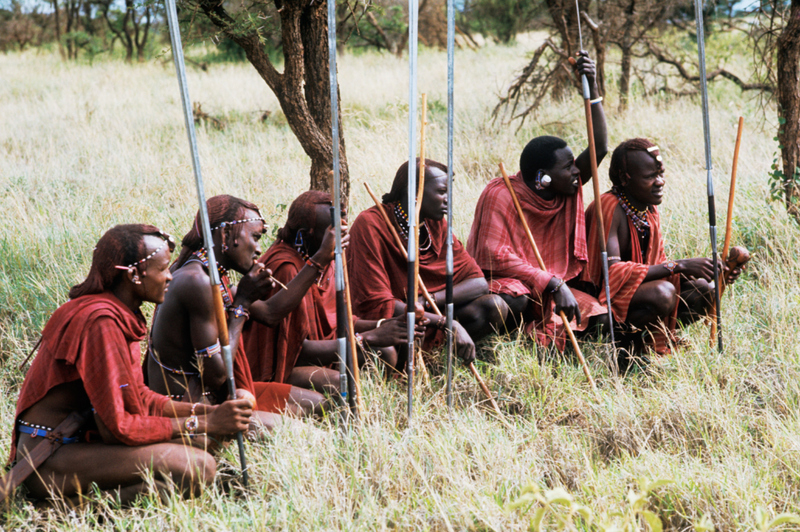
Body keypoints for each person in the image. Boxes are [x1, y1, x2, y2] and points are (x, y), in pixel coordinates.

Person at [7, 225, 252, 505]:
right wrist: (201, 422)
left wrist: (208, 413)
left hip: (79, 445)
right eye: (163, 269)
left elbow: (139, 396)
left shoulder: (121, 314)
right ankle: (67, 510)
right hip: (49, 459)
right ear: (134, 275)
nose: (170, 276)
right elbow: (117, 429)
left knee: (202, 443)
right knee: (199, 466)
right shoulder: (100, 322)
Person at [148, 195, 337, 430]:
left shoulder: (214, 274)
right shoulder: (197, 282)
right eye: (255, 237)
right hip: (195, 408)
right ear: (226, 235)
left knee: (321, 405)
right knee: (304, 434)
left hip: (221, 395)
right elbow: (217, 375)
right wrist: (242, 304)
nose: (259, 249)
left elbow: (270, 312)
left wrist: (319, 259)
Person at [466, 52, 609, 349]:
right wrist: (551, 282)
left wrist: (592, 87)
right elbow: (493, 254)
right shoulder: (502, 195)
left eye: (574, 165)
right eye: (568, 167)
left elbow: (600, 147)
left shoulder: (563, 187)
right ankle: (513, 340)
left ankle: (541, 334)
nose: (576, 172)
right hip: (511, 286)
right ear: (542, 177)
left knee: (600, 319)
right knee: (511, 302)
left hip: (549, 288)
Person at [583, 138, 747, 354]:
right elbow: (611, 275)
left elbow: (656, 267)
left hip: (633, 294)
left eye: (660, 174)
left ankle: (643, 344)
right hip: (599, 302)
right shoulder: (607, 207)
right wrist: (679, 266)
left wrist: (716, 271)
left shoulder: (648, 210)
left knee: (704, 291)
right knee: (663, 293)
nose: (659, 182)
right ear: (624, 178)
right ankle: (626, 346)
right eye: (650, 176)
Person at [243, 191, 418, 391]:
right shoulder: (287, 268)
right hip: (284, 366)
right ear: (305, 233)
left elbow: (340, 323)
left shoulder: (328, 262)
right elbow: (298, 350)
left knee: (385, 353)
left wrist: (385, 325)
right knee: (342, 382)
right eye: (332, 233)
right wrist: (369, 338)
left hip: (322, 354)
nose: (342, 237)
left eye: (343, 230)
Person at [347, 159, 508, 365]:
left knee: (494, 306)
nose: (448, 200)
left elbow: (478, 283)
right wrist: (448, 324)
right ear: (416, 194)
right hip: (393, 321)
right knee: (405, 327)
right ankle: (412, 364)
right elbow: (378, 303)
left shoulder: (436, 224)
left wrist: (426, 302)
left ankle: (435, 358)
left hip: (427, 313)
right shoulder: (371, 225)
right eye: (442, 192)